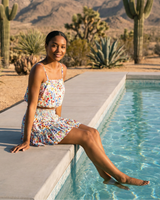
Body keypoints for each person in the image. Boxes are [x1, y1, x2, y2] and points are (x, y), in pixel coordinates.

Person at [10, 31, 149, 188]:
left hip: (53, 119)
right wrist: (27, 140)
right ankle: (121, 176)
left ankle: (104, 175)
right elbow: (32, 105)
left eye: (63, 47)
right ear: (46, 46)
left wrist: (60, 123)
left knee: (94, 132)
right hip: (38, 124)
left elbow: (59, 100)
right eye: (54, 46)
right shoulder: (39, 69)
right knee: (85, 137)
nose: (58, 50)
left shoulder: (63, 69)